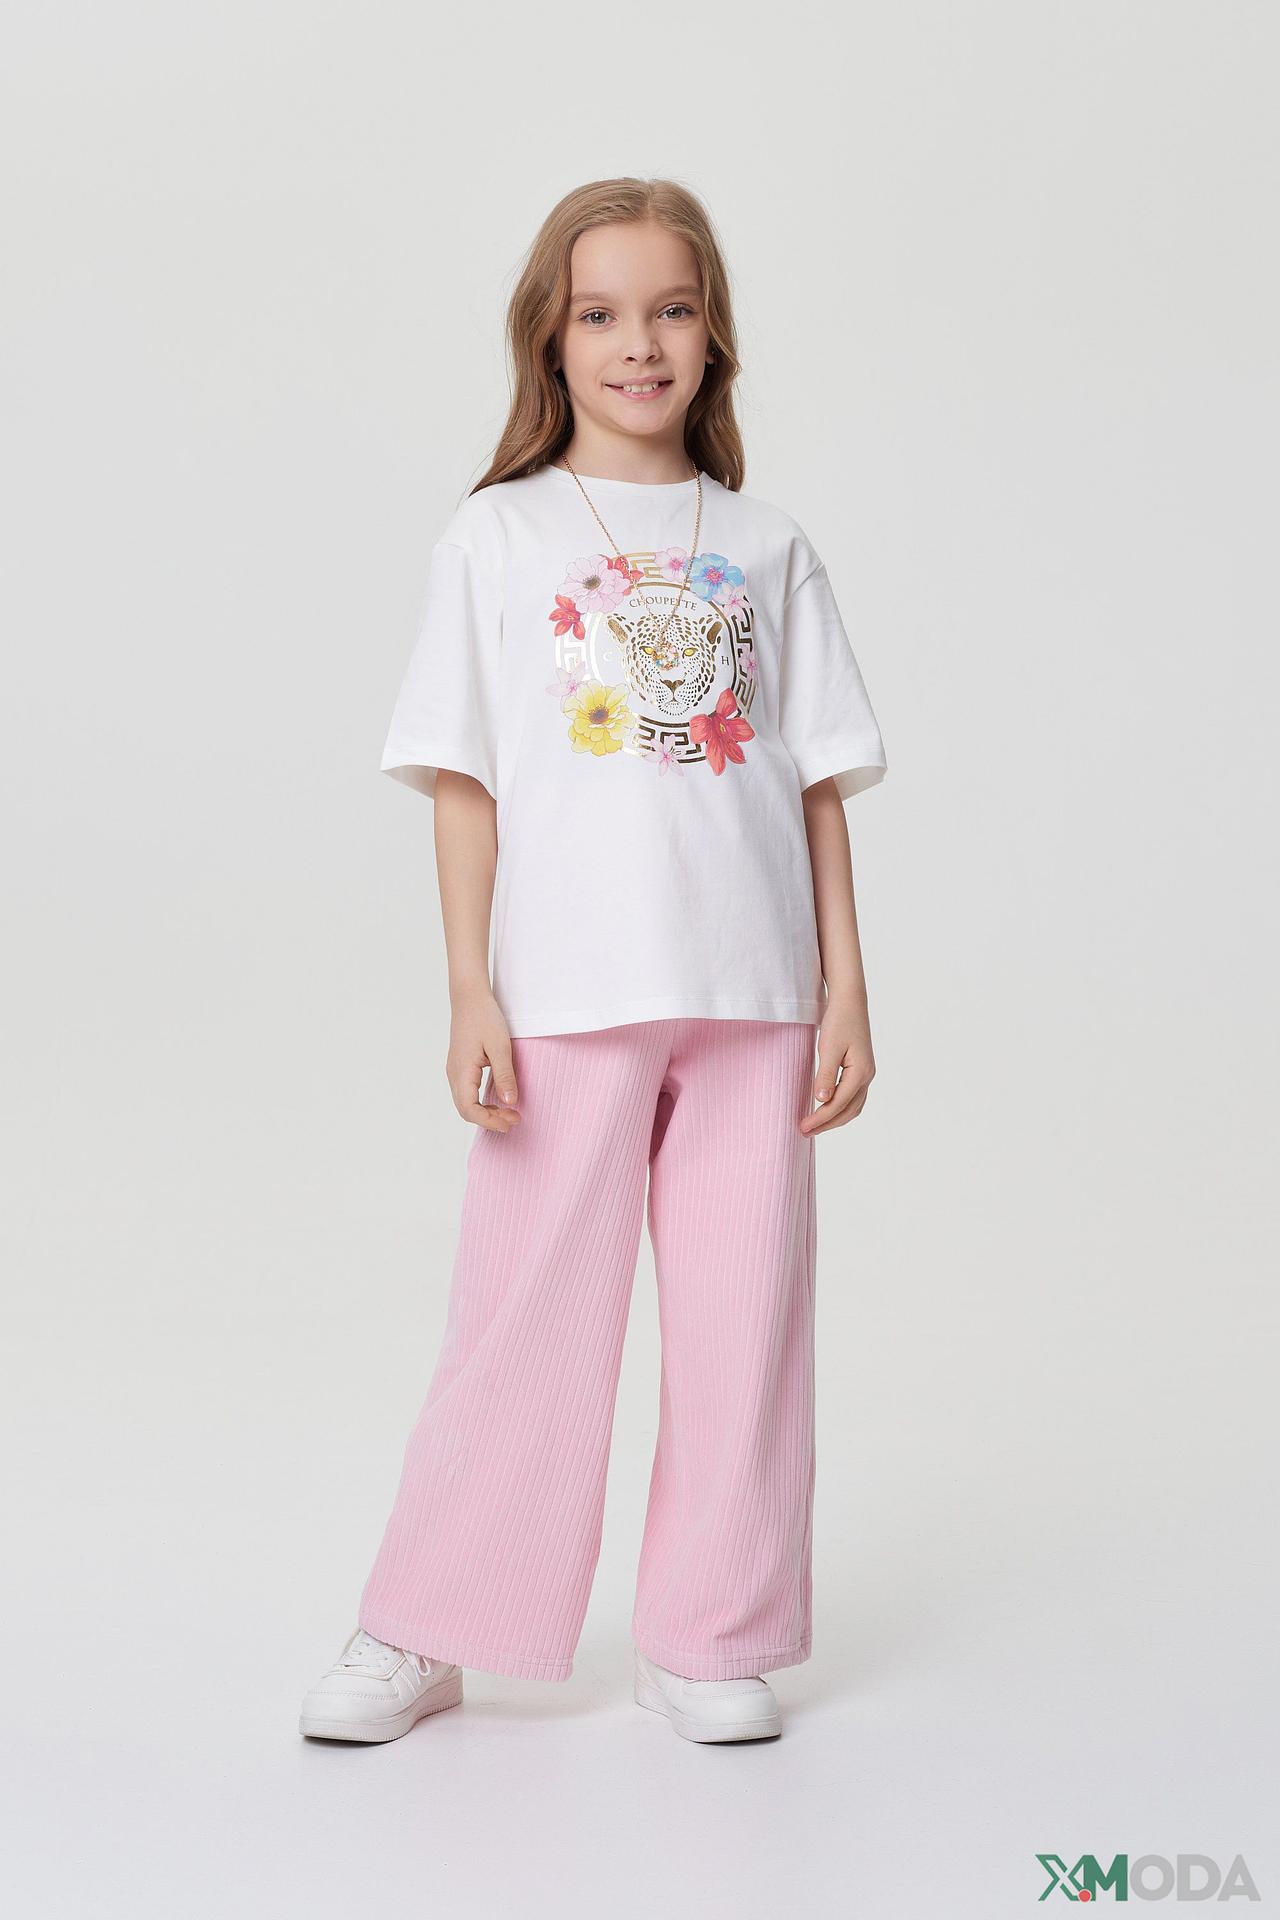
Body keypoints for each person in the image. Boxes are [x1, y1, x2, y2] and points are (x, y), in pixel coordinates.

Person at [298, 176, 888, 1748]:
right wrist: (469, 990)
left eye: (673, 310)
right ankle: (429, 1624)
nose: (641, 343)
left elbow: (816, 786)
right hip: (566, 992)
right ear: (552, 341)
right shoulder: (496, 536)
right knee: (525, 1319)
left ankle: (711, 1633)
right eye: (604, 313)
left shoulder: (766, 543)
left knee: (744, 1329)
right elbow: (464, 779)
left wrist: (845, 987)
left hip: (753, 998)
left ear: (714, 336)